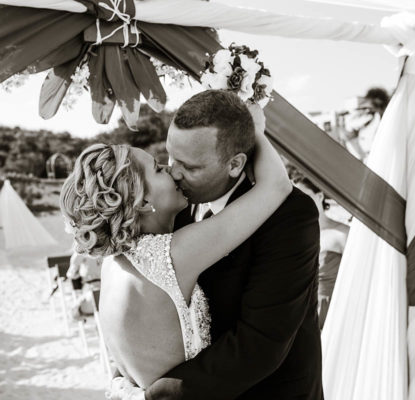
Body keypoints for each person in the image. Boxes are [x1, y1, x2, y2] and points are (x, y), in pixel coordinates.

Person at [62, 90, 322, 399]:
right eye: (168, 159)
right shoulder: (174, 214)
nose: (173, 171)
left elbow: (260, 345)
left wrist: (144, 393)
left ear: (235, 163)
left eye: (190, 166)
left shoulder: (290, 215)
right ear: (141, 201)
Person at [293, 176, 349, 329]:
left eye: (305, 196)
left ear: (319, 196)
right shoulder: (295, 237)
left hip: (332, 309)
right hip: (300, 311)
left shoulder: (342, 233)